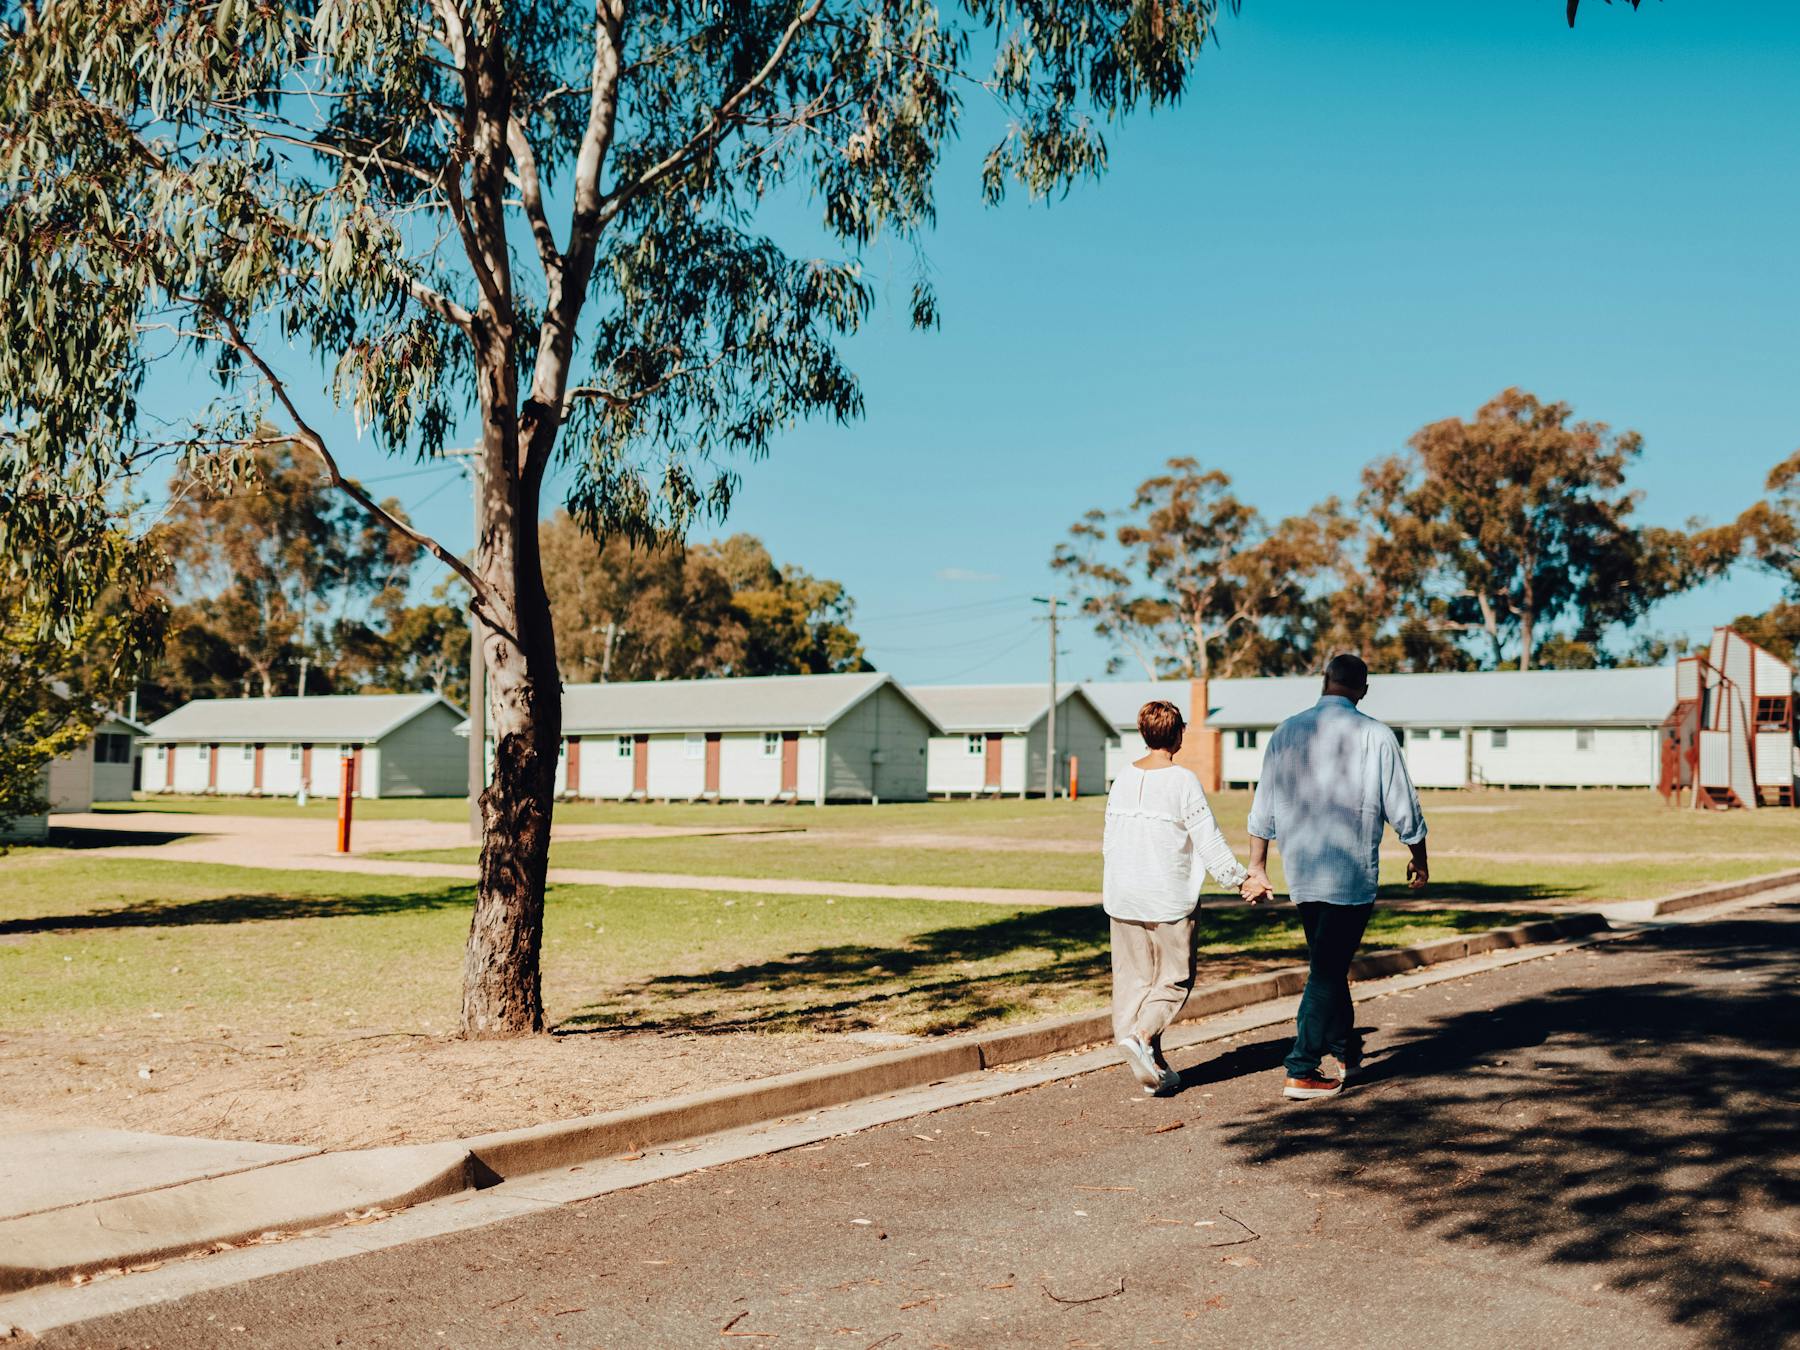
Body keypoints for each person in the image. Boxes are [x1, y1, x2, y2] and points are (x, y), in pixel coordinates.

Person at [1244, 653, 1427, 1101]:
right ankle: (1301, 1067)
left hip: (1302, 870)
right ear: (1363, 688)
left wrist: (1257, 865)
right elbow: (1402, 805)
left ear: (1323, 682)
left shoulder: (1286, 732)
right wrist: (1419, 855)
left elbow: (1262, 807)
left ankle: (1346, 1050)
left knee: (1330, 964)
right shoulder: (1375, 735)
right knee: (1326, 969)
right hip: (1349, 873)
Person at [1104, 699, 1272, 1095]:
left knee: (1134, 981)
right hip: (1168, 897)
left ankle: (1153, 1066)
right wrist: (1240, 880)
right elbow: (1208, 840)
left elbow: (1109, 841)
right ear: (1177, 734)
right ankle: (1143, 1037)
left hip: (1123, 894)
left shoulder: (1122, 778)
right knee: (1175, 978)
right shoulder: (1182, 781)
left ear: (1145, 734)